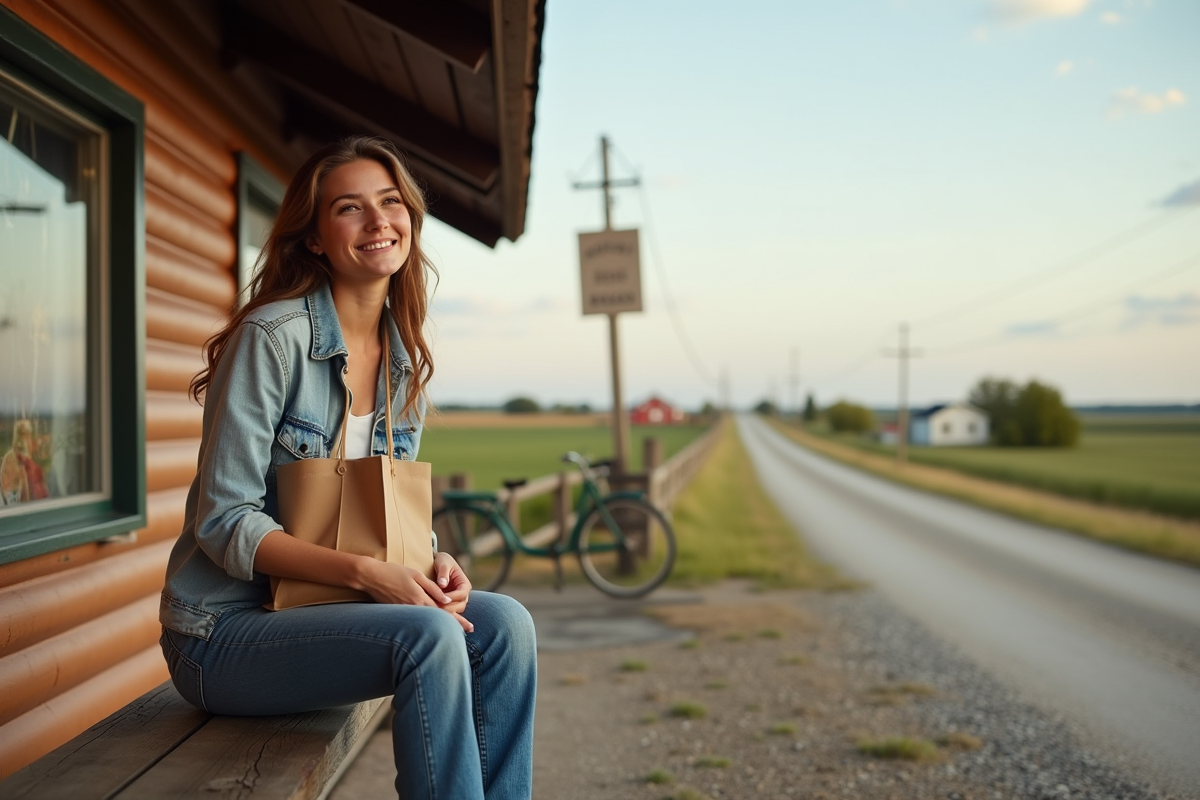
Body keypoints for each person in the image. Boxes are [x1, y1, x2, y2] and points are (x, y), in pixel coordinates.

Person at [159, 136, 537, 800]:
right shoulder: (271, 341)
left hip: (332, 612)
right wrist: (368, 573)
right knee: (426, 636)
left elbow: (387, 517)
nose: (378, 222)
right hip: (224, 635)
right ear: (313, 238)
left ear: (411, 221)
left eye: (391, 203)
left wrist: (430, 561)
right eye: (350, 209)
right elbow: (224, 523)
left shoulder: (402, 360)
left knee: (504, 625)